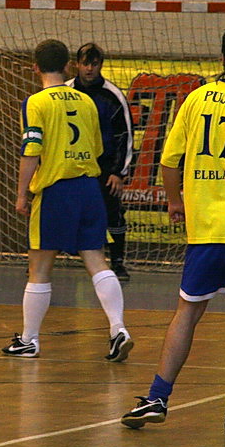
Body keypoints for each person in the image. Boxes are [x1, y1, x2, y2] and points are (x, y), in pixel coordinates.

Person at [121, 20, 225, 437]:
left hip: (204, 229)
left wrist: (177, 202)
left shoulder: (196, 98)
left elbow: (167, 161)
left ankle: (156, 397)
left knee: (188, 312)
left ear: (223, 56)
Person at [2, 39, 132, 361]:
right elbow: (100, 151)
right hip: (89, 188)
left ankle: (30, 340)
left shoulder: (36, 102)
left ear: (35, 67)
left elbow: (31, 151)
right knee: (96, 259)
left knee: (40, 266)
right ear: (68, 67)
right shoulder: (86, 101)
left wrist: (22, 194)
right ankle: (118, 329)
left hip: (57, 190)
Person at [68, 43, 134, 281]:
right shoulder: (64, 92)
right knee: (58, 211)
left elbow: (124, 136)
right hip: (71, 166)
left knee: (113, 213)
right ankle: (42, 259)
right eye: (85, 63)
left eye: (94, 64)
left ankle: (117, 263)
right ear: (76, 64)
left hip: (105, 169)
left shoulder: (113, 96)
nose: (89, 69)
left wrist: (118, 172)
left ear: (101, 66)